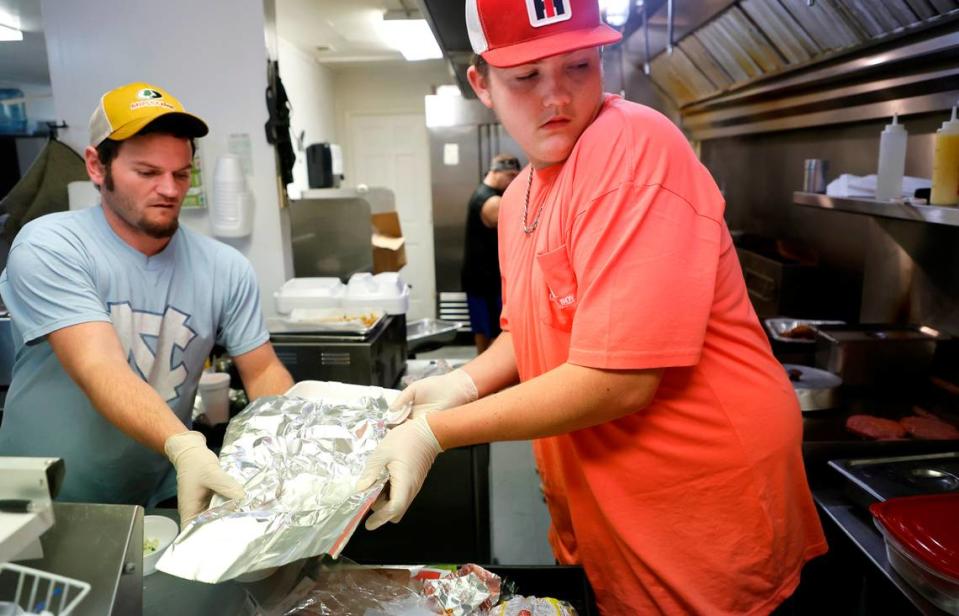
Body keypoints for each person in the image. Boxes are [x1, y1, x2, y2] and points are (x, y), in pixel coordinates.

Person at [356, 1, 828, 614]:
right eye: (526, 76)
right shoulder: (524, 193)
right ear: (483, 85)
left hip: (701, 502)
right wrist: (462, 385)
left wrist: (433, 434)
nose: (557, 96)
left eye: (579, 65)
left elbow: (620, 379)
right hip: (607, 493)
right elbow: (532, 330)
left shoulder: (631, 146)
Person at [0, 82, 294, 524]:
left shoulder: (224, 268)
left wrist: (296, 446)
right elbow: (100, 368)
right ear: (98, 166)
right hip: (39, 499)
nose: (169, 189)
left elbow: (263, 370)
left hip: (152, 495)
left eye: (181, 174)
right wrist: (186, 445)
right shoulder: (51, 246)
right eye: (147, 172)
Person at [461, 153, 520, 352]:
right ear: (496, 172)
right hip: (487, 279)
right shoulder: (492, 202)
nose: (513, 181)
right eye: (511, 176)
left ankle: (481, 370)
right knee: (496, 332)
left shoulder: (480, 193)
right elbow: (519, 233)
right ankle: (493, 379)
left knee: (482, 329)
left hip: (476, 276)